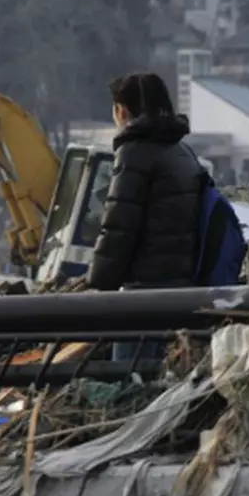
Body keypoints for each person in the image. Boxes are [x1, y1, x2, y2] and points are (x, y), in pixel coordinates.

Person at [88, 72, 206, 360]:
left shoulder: (134, 152)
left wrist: (99, 282)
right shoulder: (183, 152)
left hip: (144, 293)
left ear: (122, 111)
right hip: (183, 287)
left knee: (131, 379)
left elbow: (118, 226)